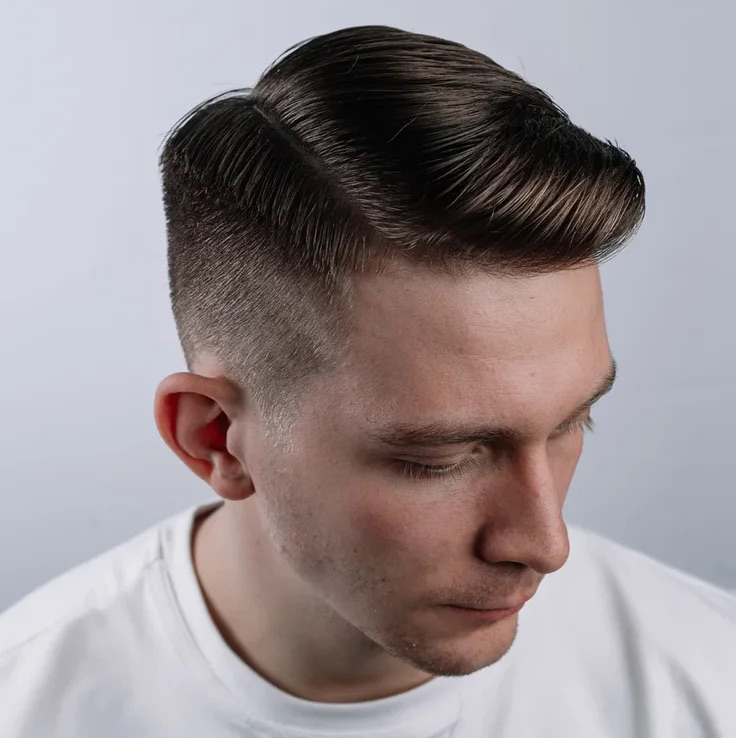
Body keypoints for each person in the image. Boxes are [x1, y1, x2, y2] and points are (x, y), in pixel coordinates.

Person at [1, 24, 734, 738]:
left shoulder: (711, 677)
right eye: (439, 459)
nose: (545, 545)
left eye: (572, 422)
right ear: (215, 437)